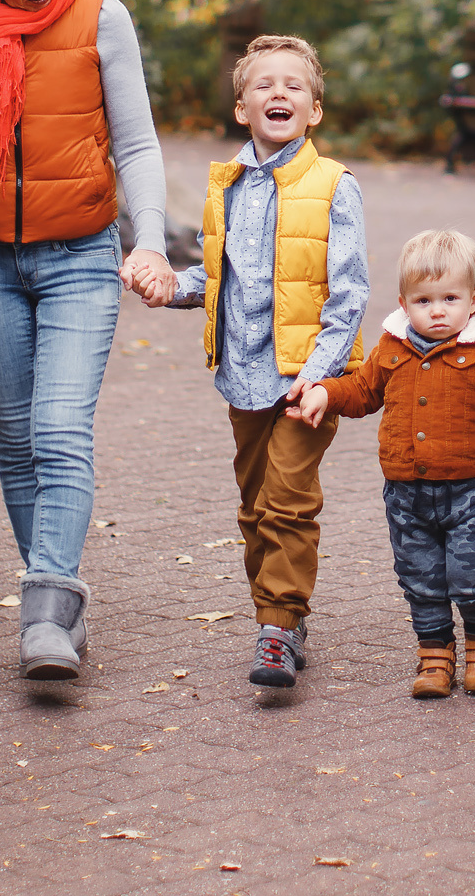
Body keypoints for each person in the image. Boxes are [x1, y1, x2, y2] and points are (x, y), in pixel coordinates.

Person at [0, 0, 173, 683]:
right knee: (15, 440)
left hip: (80, 252)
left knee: (58, 429)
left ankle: (44, 611)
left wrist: (147, 239)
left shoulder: (100, 16)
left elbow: (138, 142)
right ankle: (57, 598)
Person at [156, 35, 369, 690]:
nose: (280, 92)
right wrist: (174, 285)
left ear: (315, 111)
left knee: (287, 500)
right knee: (254, 505)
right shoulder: (226, 188)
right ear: (243, 107)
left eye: (294, 85)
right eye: (265, 85)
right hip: (242, 375)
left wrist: (320, 374)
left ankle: (277, 624)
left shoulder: (336, 186)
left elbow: (350, 292)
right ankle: (278, 617)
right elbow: (220, 275)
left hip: (308, 380)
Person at [297, 229, 475, 699]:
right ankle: (434, 653)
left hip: (468, 488)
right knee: (420, 575)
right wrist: (324, 392)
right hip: (405, 491)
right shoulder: (392, 348)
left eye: (450, 298)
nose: (437, 310)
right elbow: (362, 391)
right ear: (404, 302)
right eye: (424, 300)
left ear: (474, 300)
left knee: (472, 572)